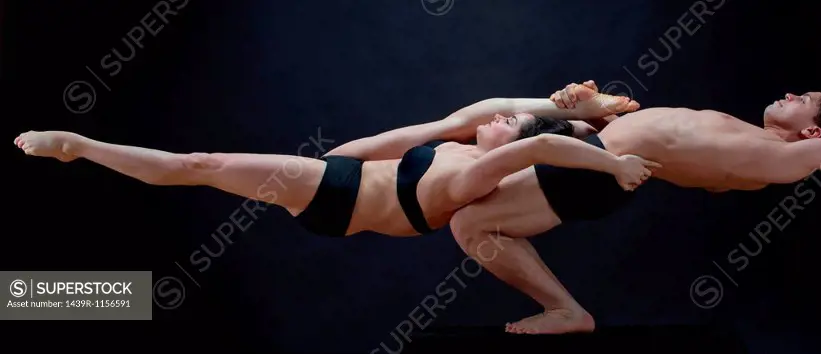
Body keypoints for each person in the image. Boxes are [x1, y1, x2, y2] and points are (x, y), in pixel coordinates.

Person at [449, 80, 821, 334]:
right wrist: (593, 115)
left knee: (469, 219)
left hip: (593, 170)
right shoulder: (746, 141)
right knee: (459, 162)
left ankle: (568, 311)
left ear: (813, 129)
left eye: (801, 98)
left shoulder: (787, 159)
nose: (787, 92)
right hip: (591, 150)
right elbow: (701, 175)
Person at [13, 90, 660, 238]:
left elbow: (542, 144)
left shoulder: (480, 173)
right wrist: (586, 113)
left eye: (505, 128)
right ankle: (574, 104)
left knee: (199, 164)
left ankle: (79, 147)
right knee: (464, 115)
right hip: (352, 181)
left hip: (343, 195)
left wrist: (617, 166)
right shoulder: (469, 149)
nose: (494, 125)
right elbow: (531, 128)